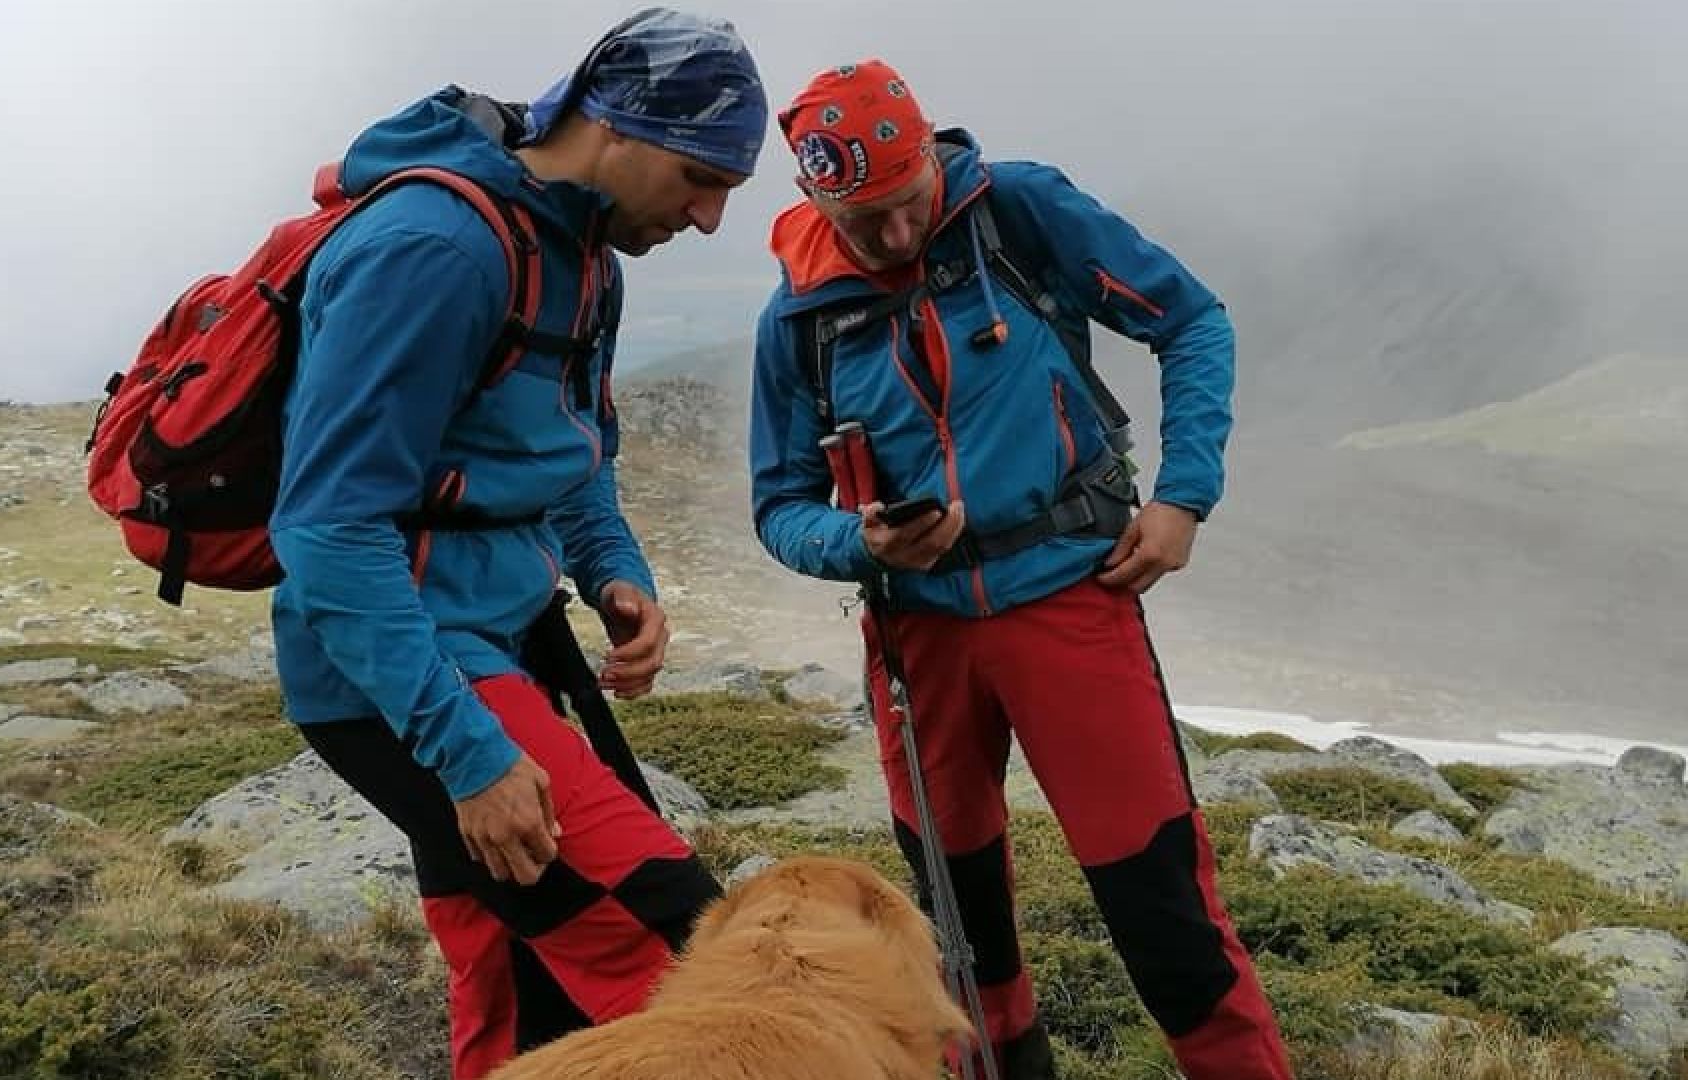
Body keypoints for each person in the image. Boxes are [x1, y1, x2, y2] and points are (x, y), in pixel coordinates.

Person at [748, 60, 1294, 1079]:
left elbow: (1192, 319)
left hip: (1074, 603)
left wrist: (1183, 496)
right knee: (961, 934)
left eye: (909, 204)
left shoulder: (1020, 211)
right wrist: (856, 544)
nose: (898, 237)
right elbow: (777, 507)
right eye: (865, 222)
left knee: (1160, 902)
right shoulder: (801, 312)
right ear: (815, 201)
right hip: (918, 639)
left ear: (934, 162)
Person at [266, 10, 767, 1078]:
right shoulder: (433, 249)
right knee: (692, 963)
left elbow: (577, 458)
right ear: (614, 127)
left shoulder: (588, 259)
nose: (714, 215)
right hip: (402, 666)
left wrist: (615, 575)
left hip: (502, 639)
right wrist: (471, 756)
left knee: (516, 983)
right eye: (700, 174)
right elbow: (326, 530)